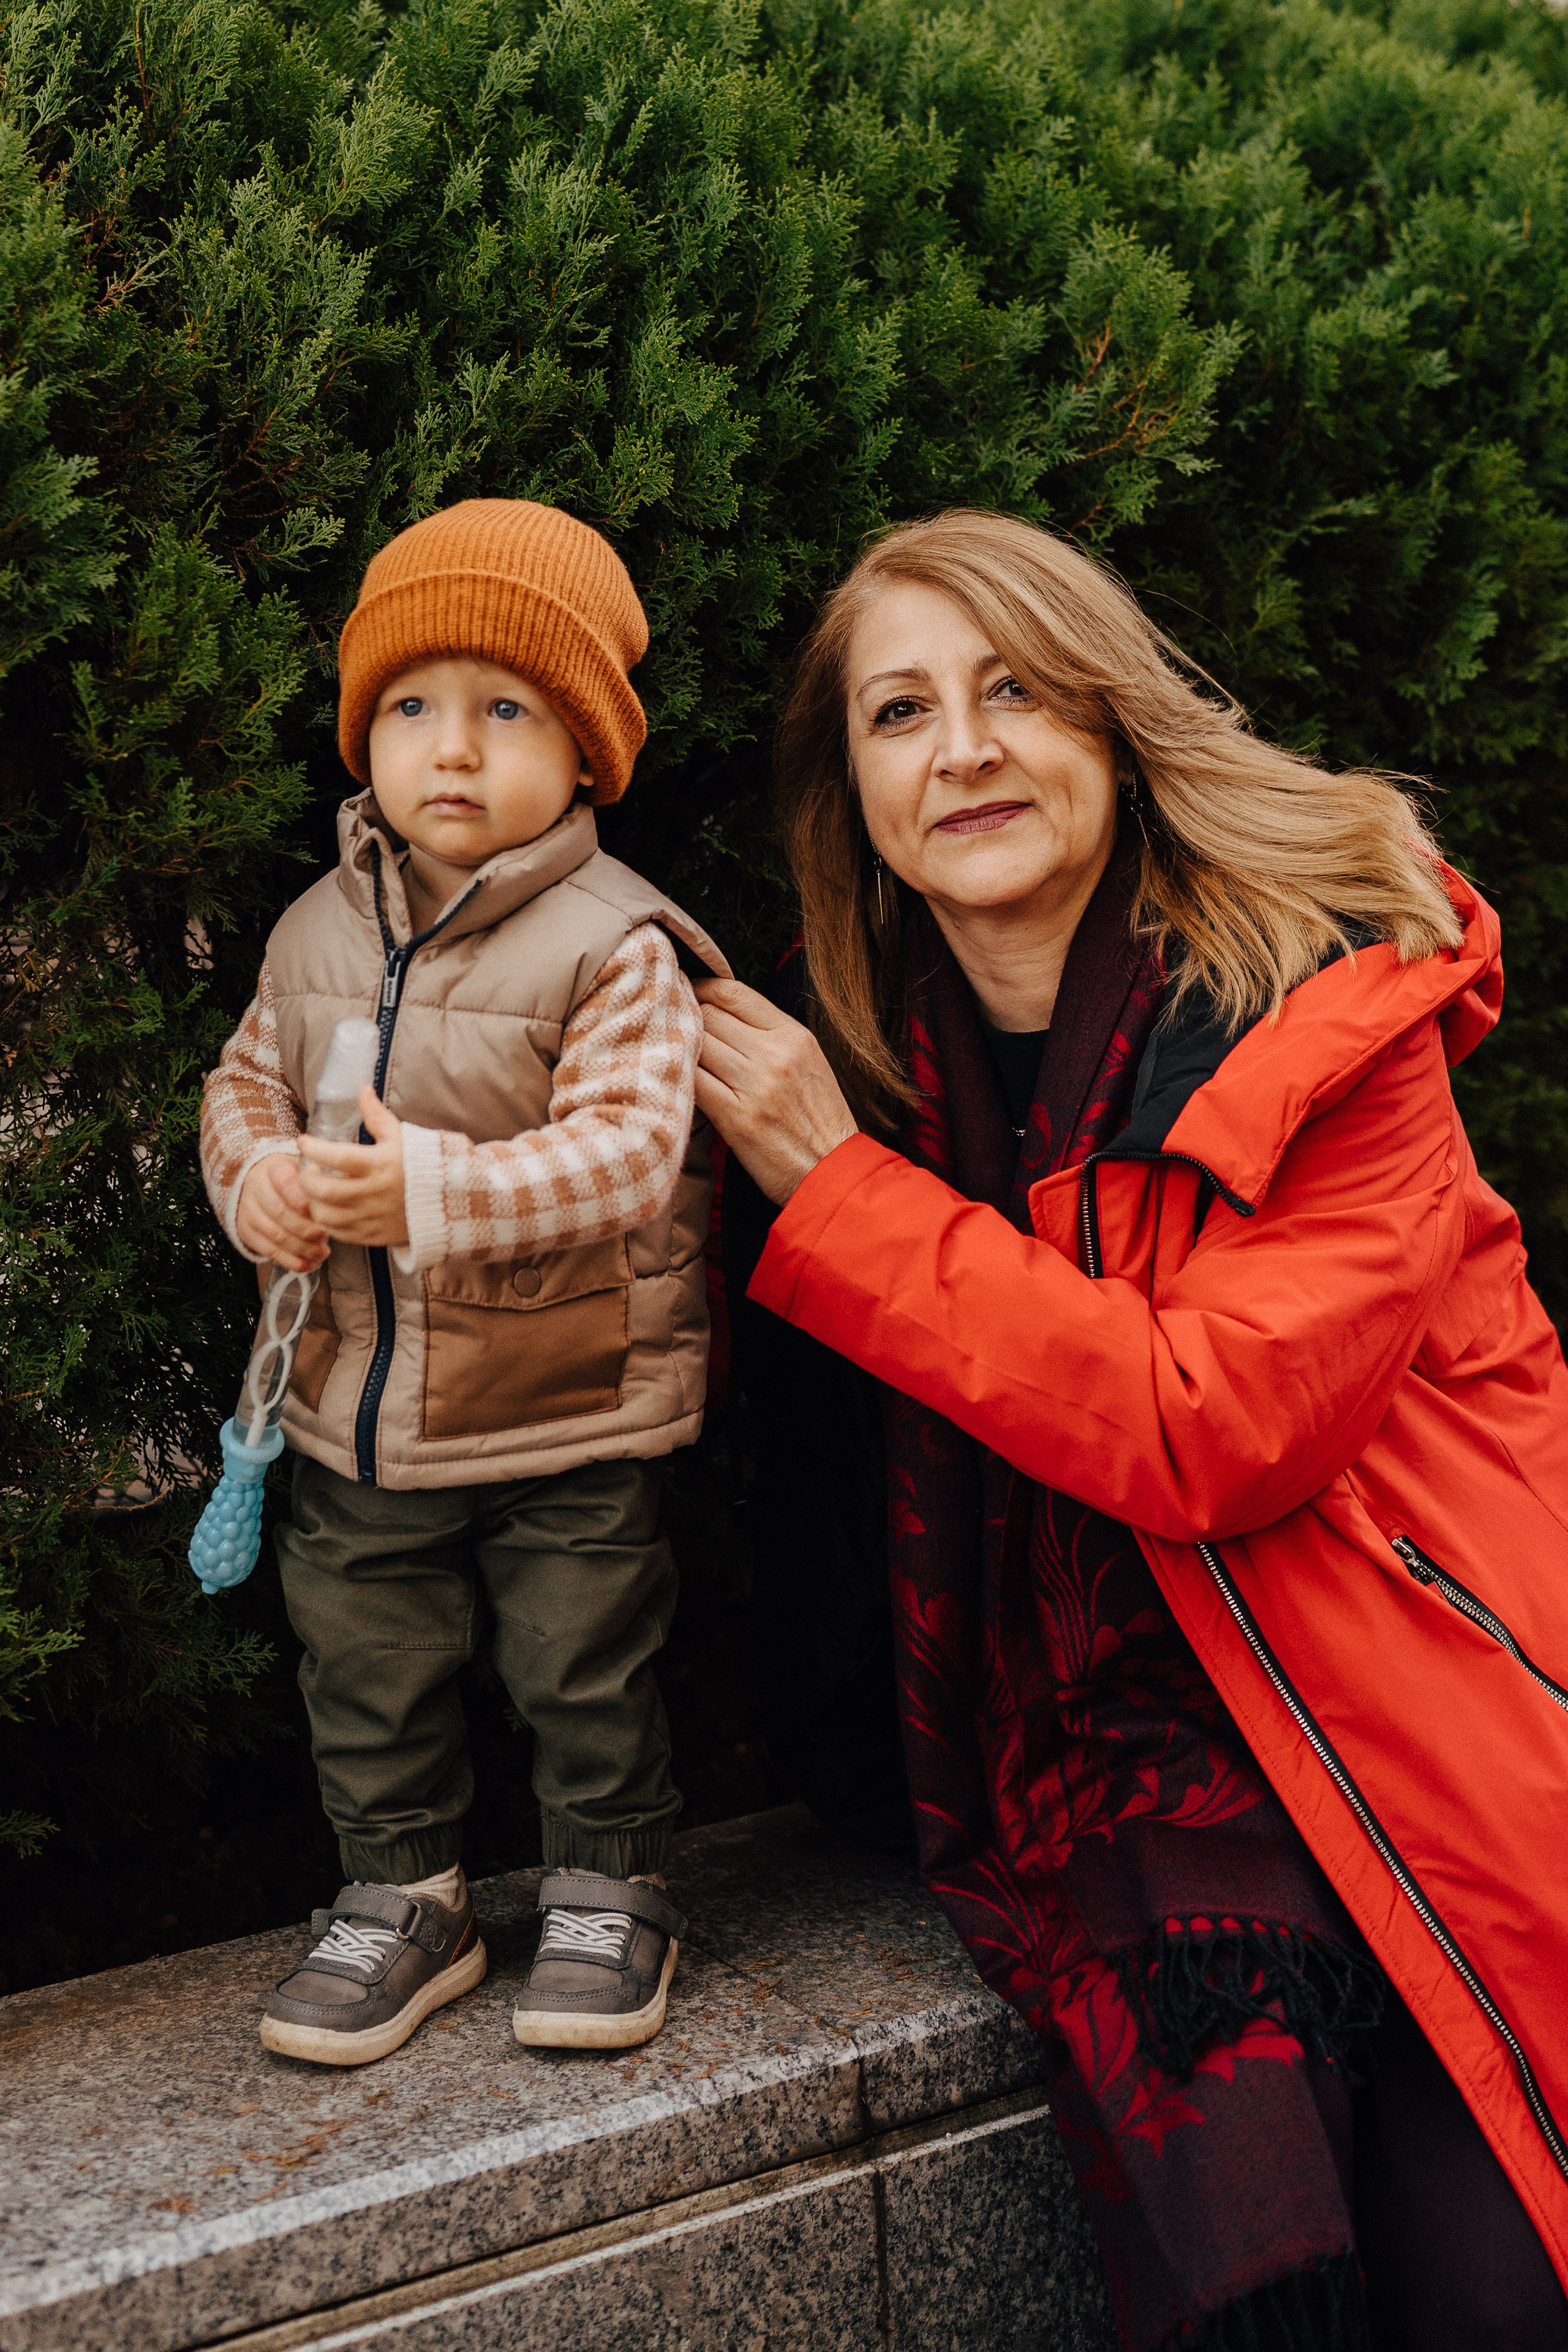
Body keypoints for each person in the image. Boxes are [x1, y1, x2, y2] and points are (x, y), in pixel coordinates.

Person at [701, 509, 1568, 2350]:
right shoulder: (870, 1077)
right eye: (902, 713)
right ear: (850, 791)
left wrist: (837, 1198)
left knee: (1494, 2292)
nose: (965, 751)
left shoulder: (1331, 1011)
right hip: (1130, 1753)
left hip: (1418, 1718)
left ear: (1111, 722)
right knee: (1266, 2270)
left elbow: (1213, 1426)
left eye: (1014, 690)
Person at [200, 499, 726, 2066]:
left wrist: (420, 1186)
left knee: (583, 1655)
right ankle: (403, 1896)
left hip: (564, 1404)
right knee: (364, 1661)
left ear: (585, 753)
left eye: (506, 711)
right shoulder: (309, 929)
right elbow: (239, 1084)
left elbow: (629, 1153)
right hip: (353, 1414)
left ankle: (608, 1886)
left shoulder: (608, 942)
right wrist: (262, 1185)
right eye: (412, 708)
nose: (452, 749)